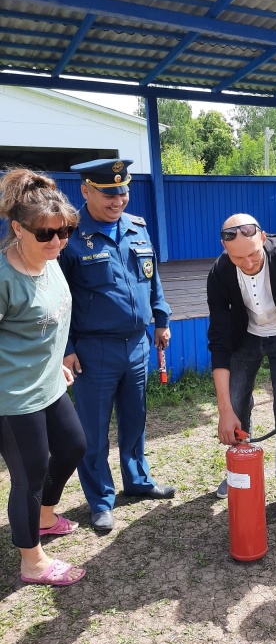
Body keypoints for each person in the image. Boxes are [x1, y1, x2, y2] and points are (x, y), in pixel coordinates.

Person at [59, 159, 174, 533]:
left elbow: (151, 278)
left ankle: (137, 481)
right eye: (108, 193)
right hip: (93, 350)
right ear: (86, 190)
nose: (117, 200)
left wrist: (161, 319)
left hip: (138, 344)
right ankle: (101, 500)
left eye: (123, 191)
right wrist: (67, 346)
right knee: (92, 431)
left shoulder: (137, 228)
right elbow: (57, 298)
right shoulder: (69, 237)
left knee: (135, 420)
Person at [0, 168, 86, 586]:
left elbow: (53, 319)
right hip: (13, 397)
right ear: (18, 228)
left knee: (74, 447)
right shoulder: (3, 277)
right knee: (29, 476)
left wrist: (56, 363)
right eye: (46, 234)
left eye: (65, 231)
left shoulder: (50, 262)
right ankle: (31, 562)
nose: (57, 242)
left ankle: (46, 517)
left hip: (49, 383)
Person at [207, 214, 276, 524]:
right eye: (238, 257)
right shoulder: (219, 273)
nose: (248, 262)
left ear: (264, 238)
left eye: (254, 253)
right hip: (246, 337)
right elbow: (218, 342)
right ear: (225, 250)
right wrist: (224, 410)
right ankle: (241, 468)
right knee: (237, 402)